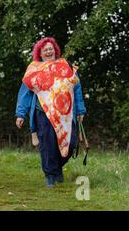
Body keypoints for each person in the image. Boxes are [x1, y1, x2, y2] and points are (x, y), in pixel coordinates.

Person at [15, 37, 86, 187]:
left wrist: (80, 110)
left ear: (55, 50)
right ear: (39, 53)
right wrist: (21, 113)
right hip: (43, 113)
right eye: (45, 49)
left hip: (65, 115)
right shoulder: (34, 69)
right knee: (48, 144)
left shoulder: (65, 66)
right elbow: (25, 93)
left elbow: (76, 88)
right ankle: (50, 175)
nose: (48, 51)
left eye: (50, 48)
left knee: (71, 143)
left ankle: (57, 167)